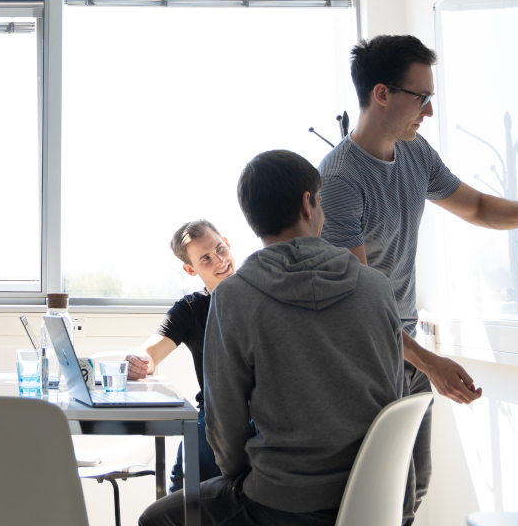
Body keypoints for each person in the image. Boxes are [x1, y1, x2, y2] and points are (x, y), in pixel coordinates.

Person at [317, 35, 518, 525]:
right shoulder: (338, 182)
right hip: (362, 357)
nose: (430, 111)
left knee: (413, 487)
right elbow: (357, 308)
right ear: (382, 94)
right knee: (375, 499)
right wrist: (429, 362)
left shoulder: (415, 153)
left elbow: (477, 206)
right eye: (421, 97)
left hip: (404, 348)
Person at [139, 150, 403, 526]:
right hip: (373, 497)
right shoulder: (376, 286)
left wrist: (238, 475)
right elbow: (393, 397)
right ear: (308, 204)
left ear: (251, 222)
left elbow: (224, 426)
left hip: (281, 502)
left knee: (156, 519)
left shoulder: (233, 298)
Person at [123, 219, 236, 492]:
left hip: (262, 413)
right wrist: (137, 361)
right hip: (214, 415)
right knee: (185, 475)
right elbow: (149, 353)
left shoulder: (263, 293)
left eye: (220, 249)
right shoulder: (191, 309)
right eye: (205, 258)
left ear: (227, 243)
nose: (220, 260)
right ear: (190, 269)